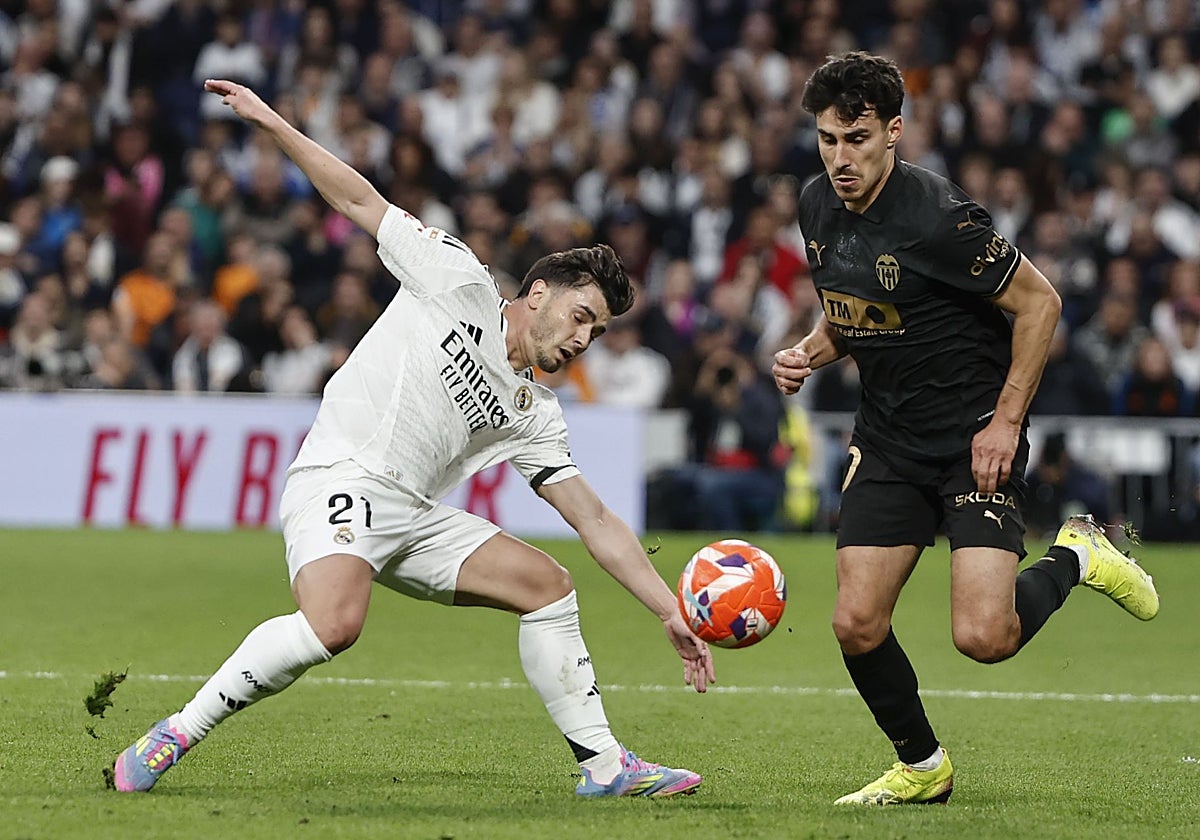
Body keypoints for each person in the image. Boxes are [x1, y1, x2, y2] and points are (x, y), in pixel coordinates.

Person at [112, 79, 712, 799]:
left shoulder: (534, 409)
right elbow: (360, 200)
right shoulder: (455, 278)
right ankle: (174, 732)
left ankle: (607, 769)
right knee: (335, 625)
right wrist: (273, 123)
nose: (584, 338)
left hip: (410, 517)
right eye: (581, 316)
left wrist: (668, 608)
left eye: (599, 331)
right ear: (540, 293)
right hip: (341, 473)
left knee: (550, 589)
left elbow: (594, 520)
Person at [772, 52, 1159, 806]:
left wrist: (1006, 424)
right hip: (887, 436)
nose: (840, 158)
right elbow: (853, 307)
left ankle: (1078, 556)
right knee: (855, 621)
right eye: (827, 139)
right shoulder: (816, 205)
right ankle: (922, 768)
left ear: (894, 132)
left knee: (985, 638)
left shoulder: (938, 216)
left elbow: (1040, 304)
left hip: (973, 436)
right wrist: (811, 352)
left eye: (856, 138)